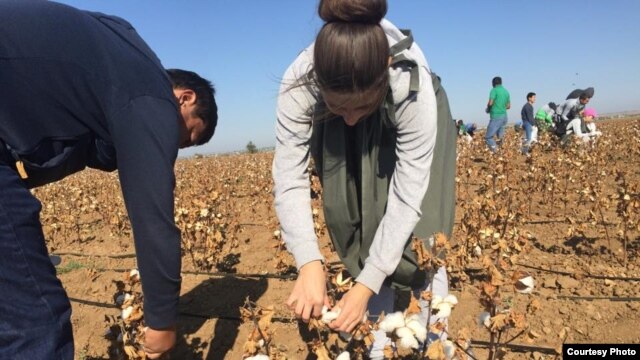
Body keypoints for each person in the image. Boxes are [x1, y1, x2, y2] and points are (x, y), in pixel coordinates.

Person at [0, 2, 218, 359]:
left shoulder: (118, 50)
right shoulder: (150, 94)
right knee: (35, 321)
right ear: (184, 98)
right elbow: (153, 219)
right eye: (186, 137)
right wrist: (161, 323)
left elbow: (70, 139)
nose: (175, 147)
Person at [272, 0, 456, 357]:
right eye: (342, 107)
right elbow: (289, 174)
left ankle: (436, 343)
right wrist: (308, 262)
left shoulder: (409, 80)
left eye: (360, 107)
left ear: (384, 70)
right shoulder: (299, 79)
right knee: (357, 218)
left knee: (426, 235)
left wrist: (365, 287)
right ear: (318, 82)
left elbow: (407, 195)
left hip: (402, 113)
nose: (352, 119)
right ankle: (378, 346)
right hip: (339, 122)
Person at [484, 76, 511, 152]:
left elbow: (490, 102)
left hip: (496, 116)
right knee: (500, 137)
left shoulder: (494, 90)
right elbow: (508, 106)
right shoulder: (506, 91)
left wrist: (488, 109)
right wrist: (501, 107)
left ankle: (497, 152)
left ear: (493, 83)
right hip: (504, 116)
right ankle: (503, 152)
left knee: (488, 137)